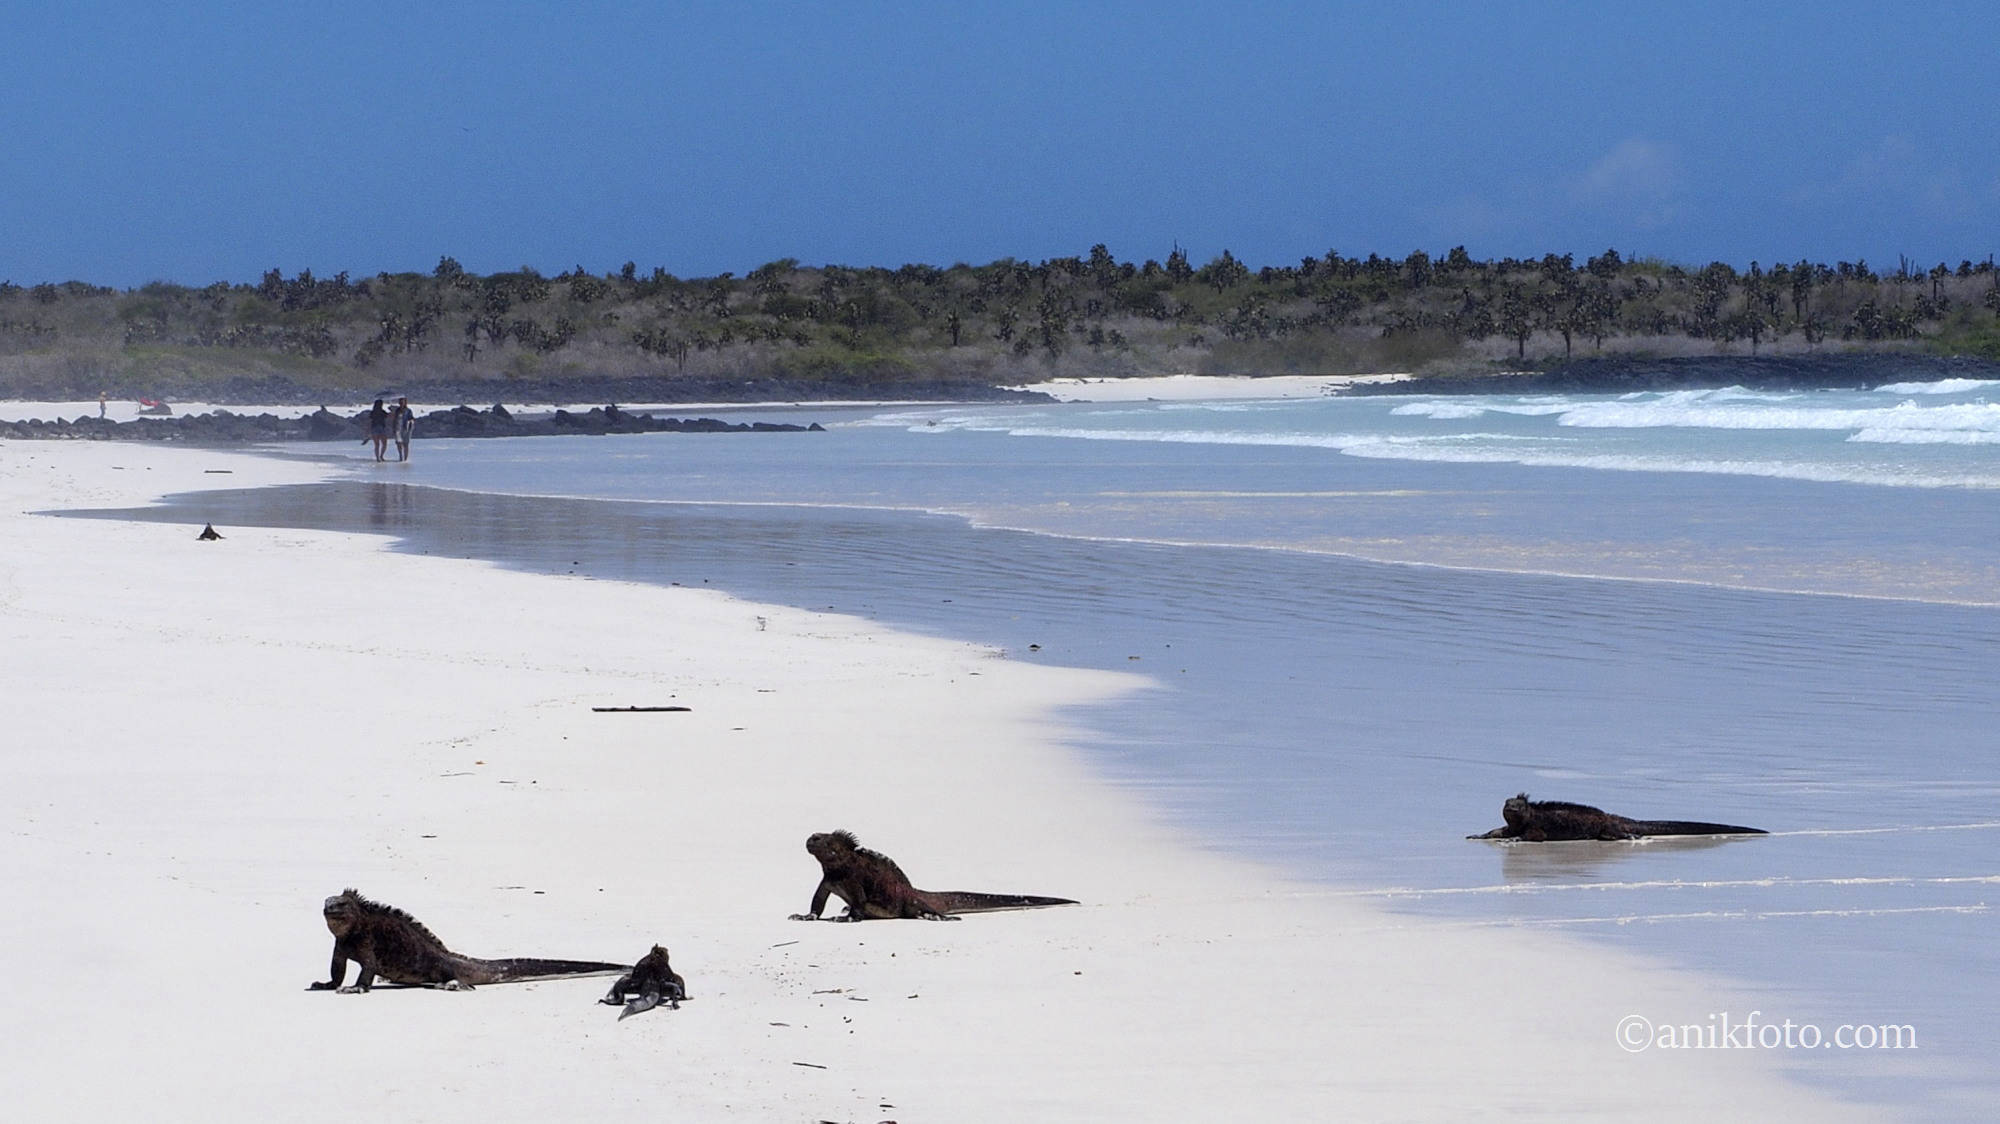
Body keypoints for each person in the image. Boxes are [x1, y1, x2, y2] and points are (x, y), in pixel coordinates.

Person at [393, 396, 415, 461]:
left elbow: (411, 418)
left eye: (402, 402)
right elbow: (394, 419)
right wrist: (393, 428)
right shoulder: (397, 410)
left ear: (405, 402)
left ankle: (405, 458)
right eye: (400, 402)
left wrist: (411, 422)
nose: (401, 403)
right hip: (398, 428)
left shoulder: (408, 410)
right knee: (399, 443)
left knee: (406, 444)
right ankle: (400, 456)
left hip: (406, 429)